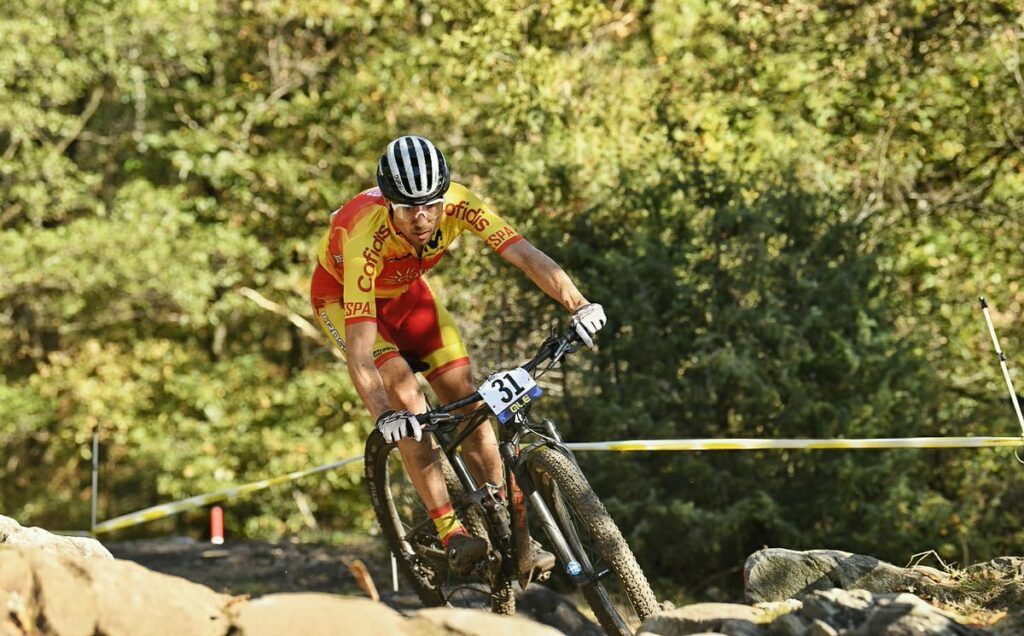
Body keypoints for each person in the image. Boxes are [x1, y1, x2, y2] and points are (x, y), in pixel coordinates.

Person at [310, 135, 606, 574]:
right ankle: (451, 533)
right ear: (389, 204)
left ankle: (507, 522)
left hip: (407, 295)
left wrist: (579, 305)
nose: (423, 219)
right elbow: (359, 351)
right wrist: (383, 414)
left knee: (467, 397)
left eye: (431, 206)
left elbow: (525, 255)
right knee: (407, 399)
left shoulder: (460, 204)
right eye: (409, 209)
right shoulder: (364, 241)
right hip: (345, 300)